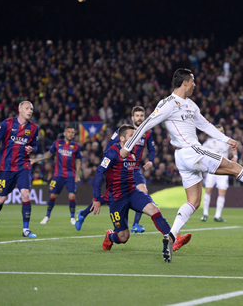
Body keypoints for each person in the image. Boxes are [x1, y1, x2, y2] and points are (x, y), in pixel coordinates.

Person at [120, 68, 243, 252]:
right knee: (234, 168)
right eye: (193, 81)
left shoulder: (190, 104)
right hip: (191, 151)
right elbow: (147, 124)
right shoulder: (168, 104)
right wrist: (127, 148)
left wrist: (225, 139)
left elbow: (204, 124)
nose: (195, 84)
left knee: (194, 201)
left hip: (183, 157)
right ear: (185, 82)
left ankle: (171, 236)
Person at [91, 124, 177, 263]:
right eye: (132, 135)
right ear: (122, 138)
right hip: (117, 197)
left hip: (132, 192)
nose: (135, 138)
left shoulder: (132, 153)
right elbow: (99, 172)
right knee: (124, 237)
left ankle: (174, 239)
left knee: (154, 209)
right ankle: (110, 237)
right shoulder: (112, 152)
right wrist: (96, 198)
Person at [75, 106, 155, 233]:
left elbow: (152, 149)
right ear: (132, 118)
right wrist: (111, 161)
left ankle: (135, 224)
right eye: (137, 116)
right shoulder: (122, 131)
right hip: (118, 168)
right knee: (109, 197)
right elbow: (109, 146)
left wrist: (151, 159)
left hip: (134, 169)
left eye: (142, 116)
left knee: (142, 192)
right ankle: (84, 213)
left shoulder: (147, 132)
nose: (140, 118)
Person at [0, 101, 39, 238]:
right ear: (20, 110)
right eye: (27, 108)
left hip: (23, 166)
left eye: (31, 109)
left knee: (25, 194)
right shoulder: (6, 123)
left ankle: (26, 229)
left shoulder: (34, 128)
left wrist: (32, 149)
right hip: (6, 166)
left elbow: (36, 145)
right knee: (1, 199)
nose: (30, 111)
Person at [31, 125, 82, 225]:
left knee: (71, 196)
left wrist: (77, 175)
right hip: (58, 175)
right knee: (53, 195)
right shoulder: (57, 143)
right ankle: (47, 216)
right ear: (64, 133)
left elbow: (78, 161)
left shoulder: (76, 146)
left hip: (70, 175)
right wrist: (36, 160)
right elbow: (48, 155)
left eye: (72, 132)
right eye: (69, 132)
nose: (71, 134)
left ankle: (72, 217)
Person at [200, 124, 238, 222]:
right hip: (212, 169)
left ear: (223, 132)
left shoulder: (227, 141)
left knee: (222, 191)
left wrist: (235, 157)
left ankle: (217, 215)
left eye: (221, 131)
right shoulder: (209, 142)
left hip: (224, 169)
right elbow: (201, 150)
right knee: (208, 189)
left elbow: (234, 147)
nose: (220, 133)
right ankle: (205, 214)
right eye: (218, 131)